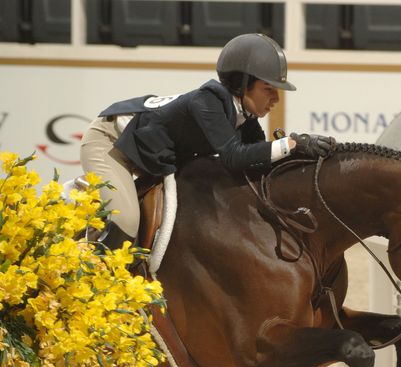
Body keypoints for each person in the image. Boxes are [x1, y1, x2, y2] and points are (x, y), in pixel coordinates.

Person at [80, 33, 335, 250]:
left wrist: (300, 155)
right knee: (125, 221)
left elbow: (258, 166)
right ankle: (94, 286)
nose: (276, 99)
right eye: (269, 89)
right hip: (110, 143)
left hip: (147, 152)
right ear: (243, 84)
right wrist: (290, 144)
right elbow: (234, 157)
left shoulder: (244, 118)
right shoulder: (208, 100)